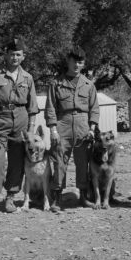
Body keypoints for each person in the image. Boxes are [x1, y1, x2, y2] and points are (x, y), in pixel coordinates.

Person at [0, 37, 39, 218]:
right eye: (11, 54)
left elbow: (33, 107)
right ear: (6, 54)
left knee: (17, 162)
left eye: (18, 54)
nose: (14, 57)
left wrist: (31, 129)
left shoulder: (28, 77)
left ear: (23, 56)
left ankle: (11, 197)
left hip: (21, 120)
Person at [45, 46, 99, 212]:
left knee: (83, 162)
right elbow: (51, 108)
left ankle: (83, 197)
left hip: (83, 125)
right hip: (63, 123)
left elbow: (94, 109)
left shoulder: (89, 85)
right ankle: (57, 199)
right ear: (68, 60)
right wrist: (53, 130)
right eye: (74, 61)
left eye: (80, 62)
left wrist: (92, 128)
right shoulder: (56, 84)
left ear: (84, 64)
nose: (77, 65)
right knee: (60, 161)